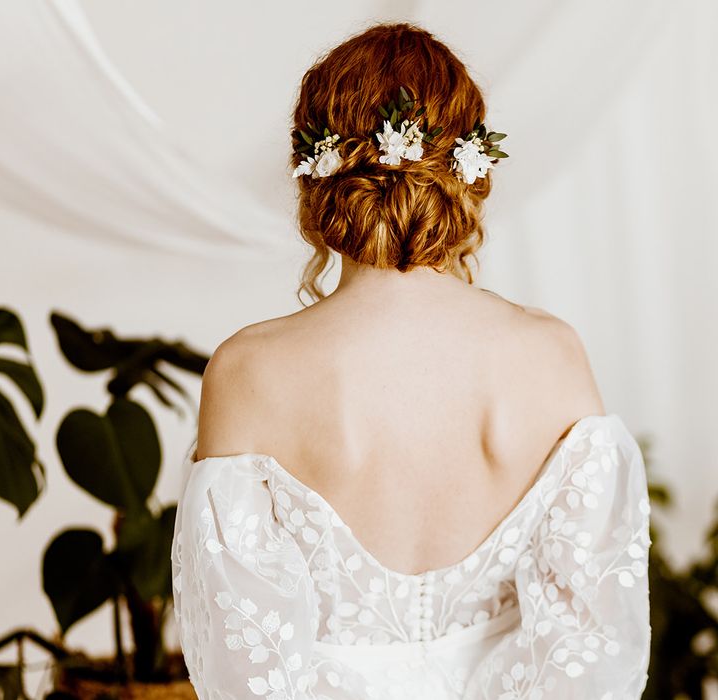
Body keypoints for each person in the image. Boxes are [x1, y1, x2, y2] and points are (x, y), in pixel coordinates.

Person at [170, 21, 651, 699]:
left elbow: (245, 675)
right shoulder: (550, 357)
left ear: (315, 171)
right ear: (470, 170)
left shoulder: (248, 374)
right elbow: (594, 656)